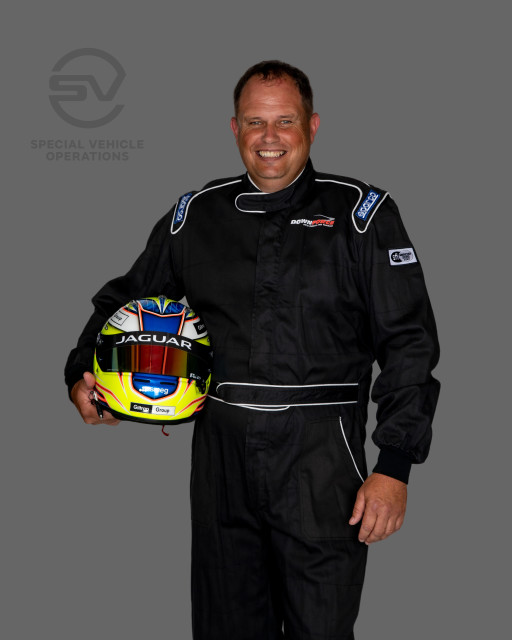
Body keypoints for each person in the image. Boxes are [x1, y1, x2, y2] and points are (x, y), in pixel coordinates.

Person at [65, 60, 440, 639]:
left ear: (312, 125)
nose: (269, 137)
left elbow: (409, 344)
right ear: (234, 128)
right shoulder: (196, 216)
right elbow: (125, 300)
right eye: (254, 122)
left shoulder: (362, 216)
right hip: (222, 458)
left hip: (323, 461)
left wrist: (394, 466)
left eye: (284, 121)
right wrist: (84, 374)